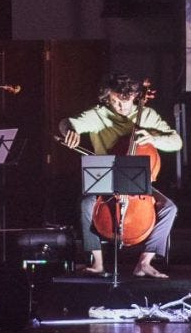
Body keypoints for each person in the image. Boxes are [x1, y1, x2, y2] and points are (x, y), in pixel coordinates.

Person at [58, 72, 180, 278]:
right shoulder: (98, 115)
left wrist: (154, 138)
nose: (121, 107)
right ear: (107, 98)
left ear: (135, 96)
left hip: (138, 182)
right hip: (108, 179)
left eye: (126, 101)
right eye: (115, 101)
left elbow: (176, 142)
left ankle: (144, 262)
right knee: (86, 203)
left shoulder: (147, 116)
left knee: (169, 208)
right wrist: (70, 130)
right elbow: (66, 123)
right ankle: (97, 262)